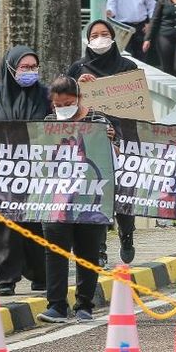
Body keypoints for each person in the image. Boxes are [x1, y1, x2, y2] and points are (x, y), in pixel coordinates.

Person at [37, 75, 119, 323]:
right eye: (58, 105)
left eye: (68, 103)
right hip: (58, 199)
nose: (62, 109)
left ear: (79, 98)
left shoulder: (98, 121)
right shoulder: (49, 122)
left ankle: (85, 304)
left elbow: (115, 158)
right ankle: (56, 305)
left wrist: (110, 142)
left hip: (90, 198)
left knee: (88, 252)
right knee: (55, 251)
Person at [0, 45, 49, 296]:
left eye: (33, 67)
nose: (29, 72)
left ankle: (41, 275)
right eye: (24, 67)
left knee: (36, 224)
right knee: (2, 226)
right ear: (10, 69)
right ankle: (5, 279)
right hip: (1, 173)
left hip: (37, 173)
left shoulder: (45, 95)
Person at [67, 19, 138, 265]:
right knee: (96, 194)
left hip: (120, 138)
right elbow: (64, 103)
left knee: (122, 194)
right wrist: (77, 86)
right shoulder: (78, 67)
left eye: (104, 33)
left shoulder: (127, 66)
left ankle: (126, 233)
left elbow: (136, 107)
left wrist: (120, 138)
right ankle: (99, 250)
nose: (100, 38)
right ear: (88, 39)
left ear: (113, 37)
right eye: (94, 34)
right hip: (88, 140)